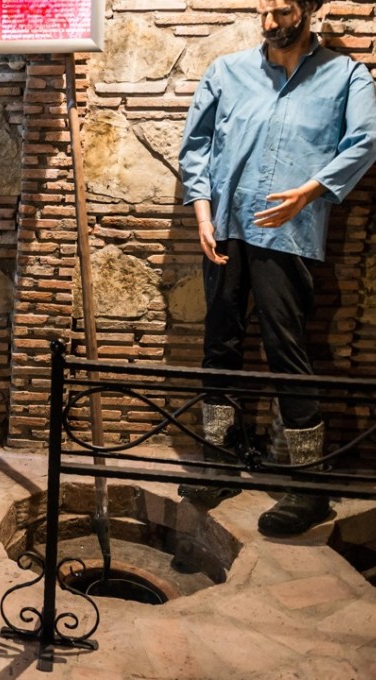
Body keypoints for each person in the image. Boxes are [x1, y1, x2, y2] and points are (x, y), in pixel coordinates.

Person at [178, 0, 376, 536]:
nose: (270, 24)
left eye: (283, 11)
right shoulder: (226, 71)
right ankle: (220, 461)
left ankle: (309, 483)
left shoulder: (346, 76)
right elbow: (197, 146)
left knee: (286, 347)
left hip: (289, 232)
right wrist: (203, 213)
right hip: (224, 225)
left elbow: (366, 139)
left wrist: (311, 192)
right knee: (219, 340)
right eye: (263, 11)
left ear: (309, 8)